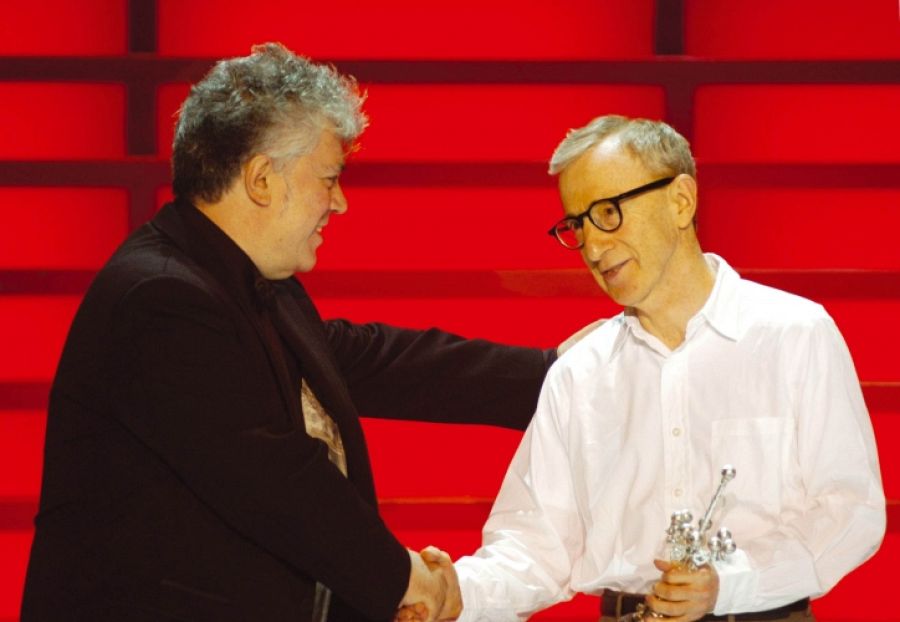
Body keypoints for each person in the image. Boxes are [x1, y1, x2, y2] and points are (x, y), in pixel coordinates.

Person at [21, 43, 557, 621]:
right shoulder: (162, 299)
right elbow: (275, 481)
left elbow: (376, 359)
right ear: (260, 179)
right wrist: (406, 581)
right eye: (329, 177)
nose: (341, 203)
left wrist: (558, 377)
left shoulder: (246, 280)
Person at [447, 115, 886, 622]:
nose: (591, 246)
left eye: (608, 212)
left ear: (681, 200)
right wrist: (453, 592)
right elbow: (534, 547)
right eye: (576, 225)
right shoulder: (580, 374)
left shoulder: (794, 334)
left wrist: (731, 585)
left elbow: (850, 510)